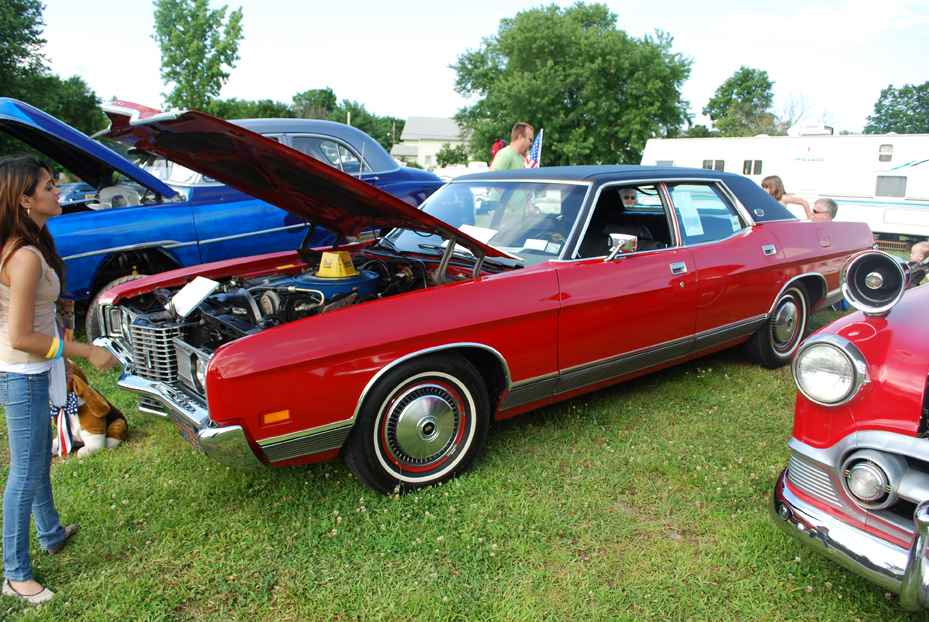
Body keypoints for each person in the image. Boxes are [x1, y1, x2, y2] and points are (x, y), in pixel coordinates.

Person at [0, 156, 116, 604]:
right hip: (20, 373)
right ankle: (14, 575)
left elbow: (39, 321)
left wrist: (60, 361)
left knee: (33, 464)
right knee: (25, 473)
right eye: (50, 186)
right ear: (25, 199)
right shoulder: (24, 255)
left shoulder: (32, 242)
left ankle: (49, 533)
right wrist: (85, 350)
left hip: (34, 369)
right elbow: (22, 336)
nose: (59, 191)